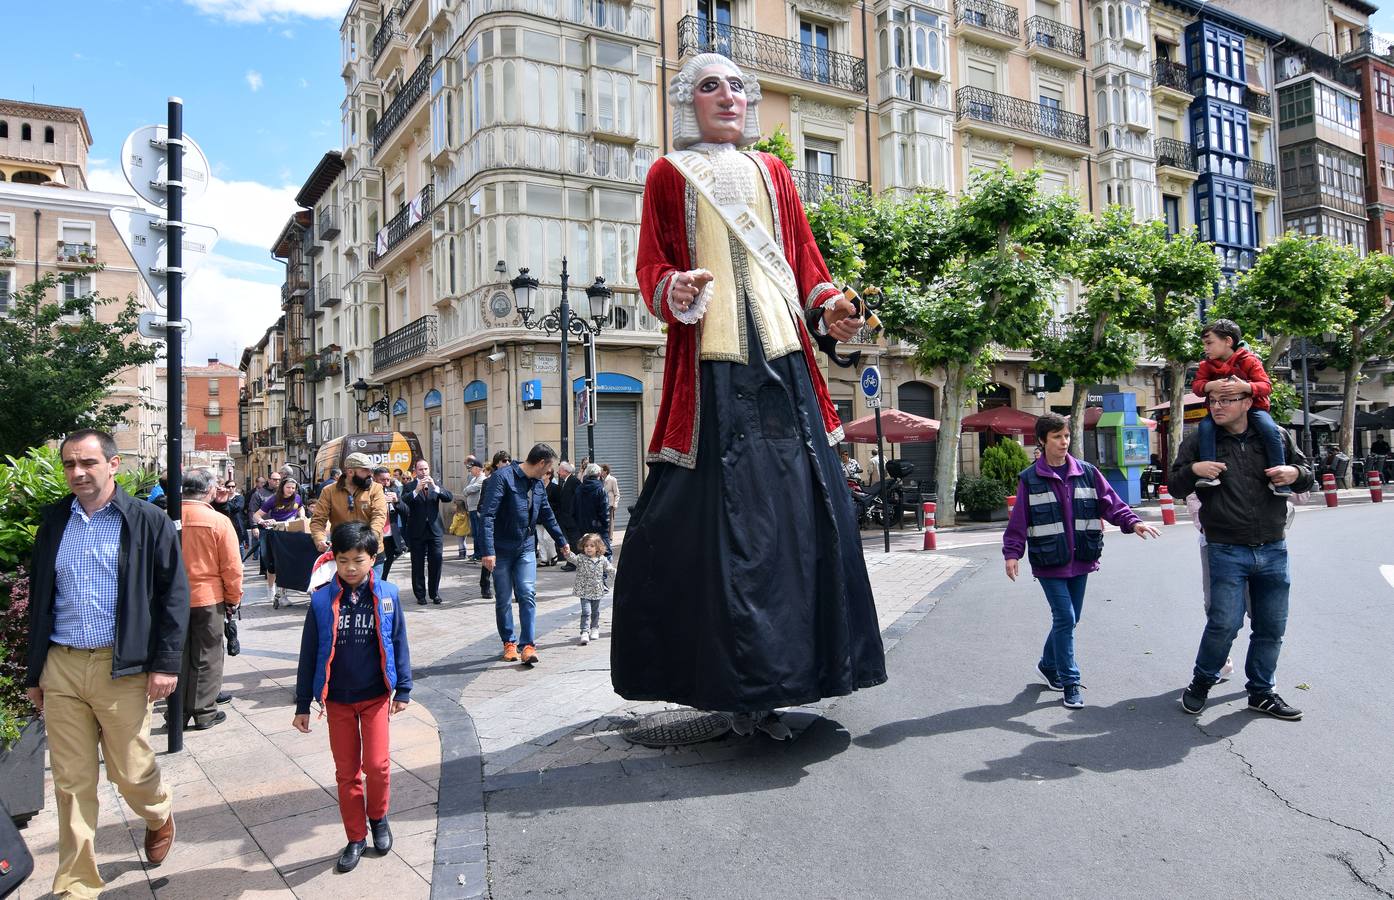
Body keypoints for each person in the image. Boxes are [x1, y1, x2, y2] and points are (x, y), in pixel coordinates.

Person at [612, 53, 886, 739]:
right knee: (717, 532)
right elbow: (651, 263)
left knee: (797, 525)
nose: (727, 95)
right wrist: (670, 289)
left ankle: (792, 678)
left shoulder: (776, 174)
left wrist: (832, 311)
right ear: (688, 102)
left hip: (787, 366)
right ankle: (733, 689)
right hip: (710, 375)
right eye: (710, 85)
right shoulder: (667, 174)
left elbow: (807, 269)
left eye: (737, 85)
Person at [25, 429, 187, 896]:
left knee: (129, 770)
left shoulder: (148, 521)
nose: (78, 473)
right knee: (72, 781)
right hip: (63, 663)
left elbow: (174, 596)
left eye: (88, 463)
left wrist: (166, 663)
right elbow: (41, 599)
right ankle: (76, 884)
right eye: (70, 465)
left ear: (113, 465)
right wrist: (36, 672)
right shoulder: (54, 521)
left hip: (125, 667)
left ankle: (157, 812)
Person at [1002, 413, 1161, 709]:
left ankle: (1048, 666)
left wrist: (1133, 522)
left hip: (1082, 558)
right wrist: (1012, 553)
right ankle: (1070, 681)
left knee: (1071, 618)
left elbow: (1111, 503)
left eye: (1066, 437)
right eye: (1057, 437)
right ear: (1042, 441)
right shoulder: (1030, 478)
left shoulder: (1087, 472)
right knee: (1065, 618)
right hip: (1049, 561)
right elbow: (1019, 521)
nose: (1064, 442)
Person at [1172, 391, 1313, 720]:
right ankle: (1202, 682)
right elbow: (1176, 486)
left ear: (1248, 403)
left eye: (1226, 400)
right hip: (1225, 547)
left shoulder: (1274, 435)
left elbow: (1309, 474)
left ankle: (1262, 692)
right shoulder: (1199, 441)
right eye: (1213, 401)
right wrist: (1195, 469)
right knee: (1224, 623)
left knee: (1271, 626)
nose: (1217, 407)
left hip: (1273, 546)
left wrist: (1295, 474)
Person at [293, 522, 412, 874]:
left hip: (375, 696)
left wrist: (403, 687)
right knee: (347, 772)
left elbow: (399, 642)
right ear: (334, 560)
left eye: (358, 560)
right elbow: (308, 653)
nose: (350, 568)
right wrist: (303, 703)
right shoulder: (320, 600)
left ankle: (378, 818)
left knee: (376, 765)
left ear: (373, 559)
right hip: (338, 700)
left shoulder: (388, 594)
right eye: (342, 560)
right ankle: (356, 836)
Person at [478, 443, 570, 665]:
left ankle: (527, 645)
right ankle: (509, 642)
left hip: (526, 546)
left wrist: (561, 541)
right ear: (540, 463)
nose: (549, 472)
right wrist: (488, 551)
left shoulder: (538, 484)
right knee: (503, 598)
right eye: (548, 467)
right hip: (501, 549)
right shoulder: (502, 478)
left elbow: (547, 514)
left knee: (527, 593)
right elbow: (487, 515)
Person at [175, 468, 243, 730]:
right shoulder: (216, 521)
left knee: (177, 654)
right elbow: (231, 566)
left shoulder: (166, 516)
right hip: (207, 596)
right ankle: (203, 711)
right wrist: (233, 598)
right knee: (208, 654)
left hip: (173, 598)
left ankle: (177, 713)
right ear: (210, 490)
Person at [1192, 319, 1288, 495]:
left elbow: (1266, 386)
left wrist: (1246, 387)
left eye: (1209, 343)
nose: (1205, 348)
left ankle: (1279, 474)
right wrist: (1210, 386)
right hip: (1221, 411)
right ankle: (1209, 473)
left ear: (1228, 341)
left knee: (1269, 429)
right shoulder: (1206, 365)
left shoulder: (1249, 360)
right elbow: (1197, 387)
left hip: (1254, 408)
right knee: (1205, 427)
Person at [310, 453, 388, 574]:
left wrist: (369, 540)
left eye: (370, 470)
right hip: (343, 554)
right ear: (350, 472)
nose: (370, 474)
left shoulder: (376, 488)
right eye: (365, 470)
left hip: (371, 552)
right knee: (343, 592)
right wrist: (320, 539)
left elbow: (379, 516)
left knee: (373, 591)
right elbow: (318, 520)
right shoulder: (329, 491)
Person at [402, 459, 454, 605]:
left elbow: (448, 497)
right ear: (415, 471)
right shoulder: (410, 486)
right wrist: (416, 490)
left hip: (434, 530)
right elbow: (404, 501)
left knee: (436, 561)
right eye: (420, 469)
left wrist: (435, 487)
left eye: (425, 469)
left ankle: (434, 593)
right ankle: (420, 595)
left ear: (429, 469)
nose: (423, 472)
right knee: (417, 564)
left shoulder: (435, 484)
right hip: (417, 531)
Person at [252, 474, 308, 604]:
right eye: (288, 487)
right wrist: (263, 522)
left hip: (292, 534)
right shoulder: (273, 500)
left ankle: (283, 594)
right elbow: (256, 515)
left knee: (287, 565)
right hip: (276, 534)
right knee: (273, 565)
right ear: (282, 487)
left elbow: (301, 508)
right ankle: (271, 589)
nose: (291, 490)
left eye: (293, 488)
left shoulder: (298, 498)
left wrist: (301, 517)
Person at [572, 533, 616, 645]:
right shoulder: (581, 558)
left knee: (595, 612)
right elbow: (572, 559)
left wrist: (620, 577)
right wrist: (567, 553)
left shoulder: (602, 559)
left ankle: (595, 628)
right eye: (586, 546)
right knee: (586, 611)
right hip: (584, 590)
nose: (589, 548)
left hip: (597, 590)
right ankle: (584, 632)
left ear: (598, 547)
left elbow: (610, 570)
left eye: (592, 546)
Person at [373, 466, 410, 583]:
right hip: (376, 534)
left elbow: (406, 512)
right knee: (376, 563)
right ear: (375, 479)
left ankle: (382, 584)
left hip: (390, 534)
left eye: (388, 479)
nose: (386, 482)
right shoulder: (369, 492)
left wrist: (397, 501)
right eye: (382, 480)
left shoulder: (393, 491)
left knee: (388, 561)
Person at [573, 463, 612, 556]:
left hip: (583, 526)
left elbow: (574, 508)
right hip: (598, 527)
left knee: (587, 553)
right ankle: (605, 571)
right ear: (599, 474)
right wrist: (606, 525)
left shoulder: (579, 489)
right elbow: (604, 511)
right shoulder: (600, 489)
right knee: (605, 552)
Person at [548, 461, 581, 571]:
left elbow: (576, 500)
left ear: (565, 471)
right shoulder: (565, 481)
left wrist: (572, 514)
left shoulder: (574, 481)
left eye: (560, 470)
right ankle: (572, 562)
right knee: (570, 540)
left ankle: (572, 563)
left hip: (571, 518)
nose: (558, 472)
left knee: (573, 540)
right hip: (566, 517)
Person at [463, 457, 487, 560]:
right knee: (475, 533)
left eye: (471, 468)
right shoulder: (473, 479)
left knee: (478, 532)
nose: (470, 470)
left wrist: (467, 489)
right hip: (471, 509)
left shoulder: (482, 478)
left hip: (477, 509)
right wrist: (467, 489)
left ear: (478, 468)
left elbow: (471, 489)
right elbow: (465, 491)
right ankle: (476, 553)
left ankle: (480, 553)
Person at [600, 463, 620, 541]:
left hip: (610, 504)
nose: (600, 472)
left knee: (610, 521)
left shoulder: (612, 480)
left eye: (601, 470)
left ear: (605, 471)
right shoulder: (599, 479)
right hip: (601, 503)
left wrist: (615, 504)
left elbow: (617, 493)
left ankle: (610, 538)